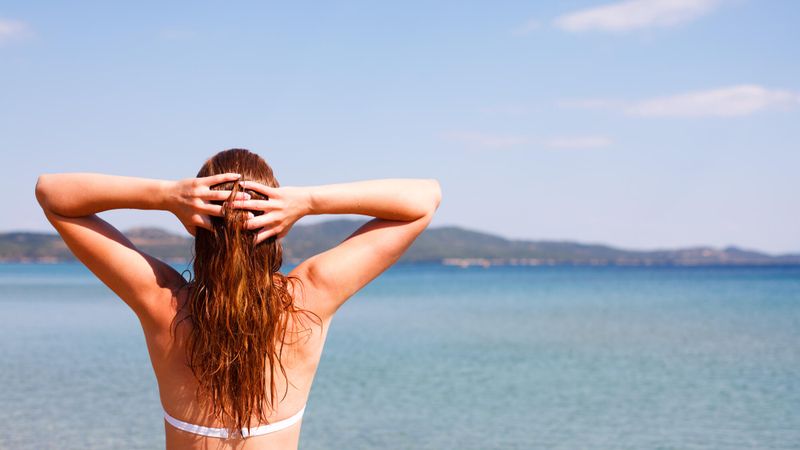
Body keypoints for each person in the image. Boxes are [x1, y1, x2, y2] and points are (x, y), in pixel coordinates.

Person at [34, 148, 442, 450]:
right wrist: (308, 202)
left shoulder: (164, 303)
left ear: (196, 225)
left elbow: (52, 194)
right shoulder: (309, 299)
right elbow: (425, 199)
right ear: (277, 224)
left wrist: (165, 195)